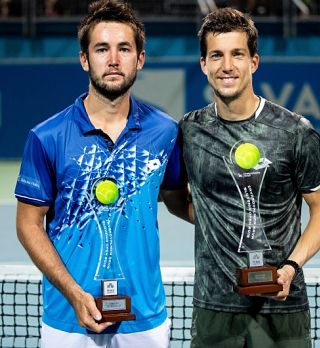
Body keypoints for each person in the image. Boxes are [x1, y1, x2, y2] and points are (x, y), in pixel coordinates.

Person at [15, 1, 189, 347]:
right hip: (67, 318)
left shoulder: (165, 132)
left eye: (124, 48)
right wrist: (73, 294)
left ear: (140, 58)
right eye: (102, 49)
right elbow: (28, 224)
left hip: (143, 318)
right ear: (84, 59)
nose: (113, 59)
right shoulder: (46, 137)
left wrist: (235, 214)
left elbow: (177, 200)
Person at [179, 7, 320, 348]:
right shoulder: (190, 131)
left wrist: (289, 267)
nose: (227, 66)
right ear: (204, 64)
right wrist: (217, 220)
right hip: (214, 308)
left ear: (253, 62)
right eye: (216, 55)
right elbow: (174, 198)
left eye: (237, 54)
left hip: (283, 308)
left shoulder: (295, 132)